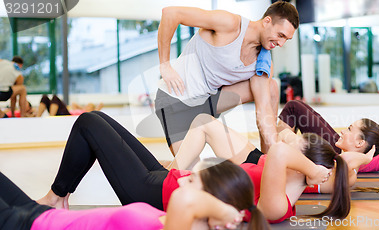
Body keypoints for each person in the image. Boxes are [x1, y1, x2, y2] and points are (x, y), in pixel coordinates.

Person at [36, 111, 269, 230]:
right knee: (98, 118)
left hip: (152, 191)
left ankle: (55, 196)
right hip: (165, 178)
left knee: (88, 122)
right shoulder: (265, 164)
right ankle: (59, 196)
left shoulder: (277, 175)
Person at [156, 1, 299, 156]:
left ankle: (267, 160)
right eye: (280, 35)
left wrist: (276, 153)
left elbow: (264, 110)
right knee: (188, 171)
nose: (281, 43)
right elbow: (170, 13)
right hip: (175, 99)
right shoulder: (230, 24)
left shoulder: (263, 62)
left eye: (286, 39)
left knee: (271, 87)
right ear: (267, 21)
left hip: (207, 101)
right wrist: (165, 65)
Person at [167, 112, 355, 222]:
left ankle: (171, 173)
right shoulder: (286, 179)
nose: (343, 132)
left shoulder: (280, 202)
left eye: (352, 130)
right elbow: (281, 142)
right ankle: (172, 172)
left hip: (170, 188)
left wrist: (315, 170)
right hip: (178, 181)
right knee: (203, 121)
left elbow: (280, 148)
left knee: (203, 123)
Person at [0, 169, 248, 230]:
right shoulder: (171, 219)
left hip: (24, 225)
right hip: (39, 214)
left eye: (192, 181)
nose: (181, 182)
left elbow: (186, 199)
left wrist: (226, 212)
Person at [36, 94, 103, 117]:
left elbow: (100, 106)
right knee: (44, 97)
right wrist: (83, 108)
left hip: (67, 114)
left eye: (89, 106)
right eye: (87, 105)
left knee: (55, 98)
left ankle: (51, 117)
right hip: (65, 112)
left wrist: (93, 109)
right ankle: (37, 117)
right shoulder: (81, 110)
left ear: (92, 109)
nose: (87, 106)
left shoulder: (89, 113)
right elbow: (73, 104)